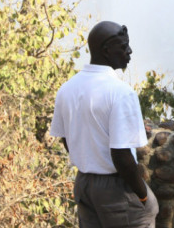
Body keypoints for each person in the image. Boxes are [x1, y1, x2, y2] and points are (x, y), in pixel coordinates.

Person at [50, 21, 158, 227]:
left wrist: (89, 160)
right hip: (116, 189)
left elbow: (67, 139)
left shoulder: (67, 89)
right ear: (106, 50)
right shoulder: (121, 92)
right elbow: (122, 156)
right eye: (123, 46)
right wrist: (143, 196)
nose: (130, 51)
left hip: (84, 184)